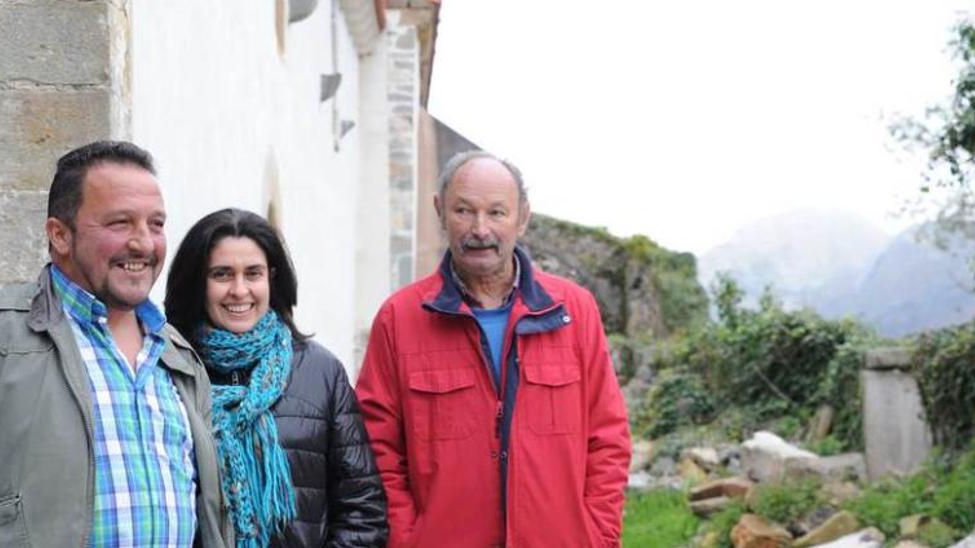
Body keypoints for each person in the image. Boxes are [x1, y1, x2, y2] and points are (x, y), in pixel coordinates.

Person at [0, 140, 229, 547]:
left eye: (156, 224)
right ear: (59, 235)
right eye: (120, 223)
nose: (144, 243)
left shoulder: (177, 357)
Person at [355, 150, 632, 547]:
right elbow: (376, 445)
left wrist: (597, 536)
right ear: (439, 210)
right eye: (464, 210)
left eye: (497, 213)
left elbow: (608, 437)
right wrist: (407, 537)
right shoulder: (400, 318)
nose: (480, 229)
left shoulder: (574, 311)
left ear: (523, 218)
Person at [165, 208, 387, 548]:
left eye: (252, 273)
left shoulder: (321, 373)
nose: (240, 290)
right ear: (198, 282)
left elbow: (362, 508)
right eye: (222, 274)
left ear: (272, 278)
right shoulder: (170, 370)